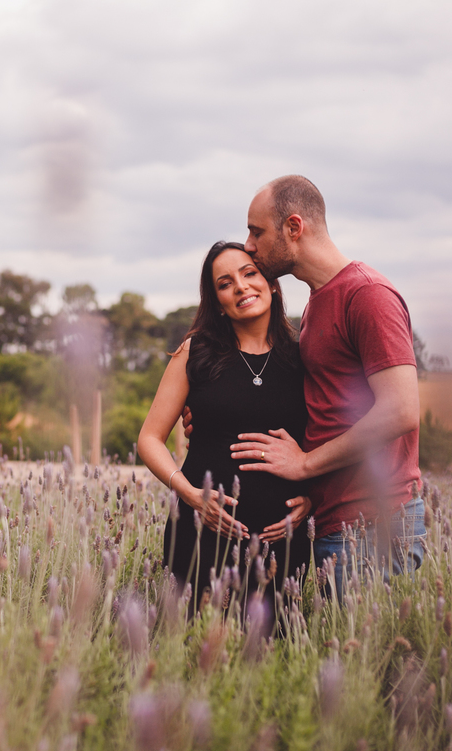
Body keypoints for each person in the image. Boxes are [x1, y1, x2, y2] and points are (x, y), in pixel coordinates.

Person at [226, 174, 425, 596]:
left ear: (294, 228)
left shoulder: (368, 295)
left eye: (257, 231)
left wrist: (304, 466)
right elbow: (323, 407)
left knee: (372, 660)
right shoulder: (318, 301)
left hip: (374, 526)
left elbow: (401, 409)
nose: (248, 245)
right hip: (334, 522)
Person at [138, 241, 310, 619]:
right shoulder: (194, 353)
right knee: (189, 651)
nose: (242, 287)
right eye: (225, 283)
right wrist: (188, 494)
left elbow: (324, 438)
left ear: (273, 284)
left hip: (280, 542)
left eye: (250, 274)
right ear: (217, 301)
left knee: (269, 656)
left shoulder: (304, 356)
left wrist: (314, 497)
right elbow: (149, 438)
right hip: (200, 533)